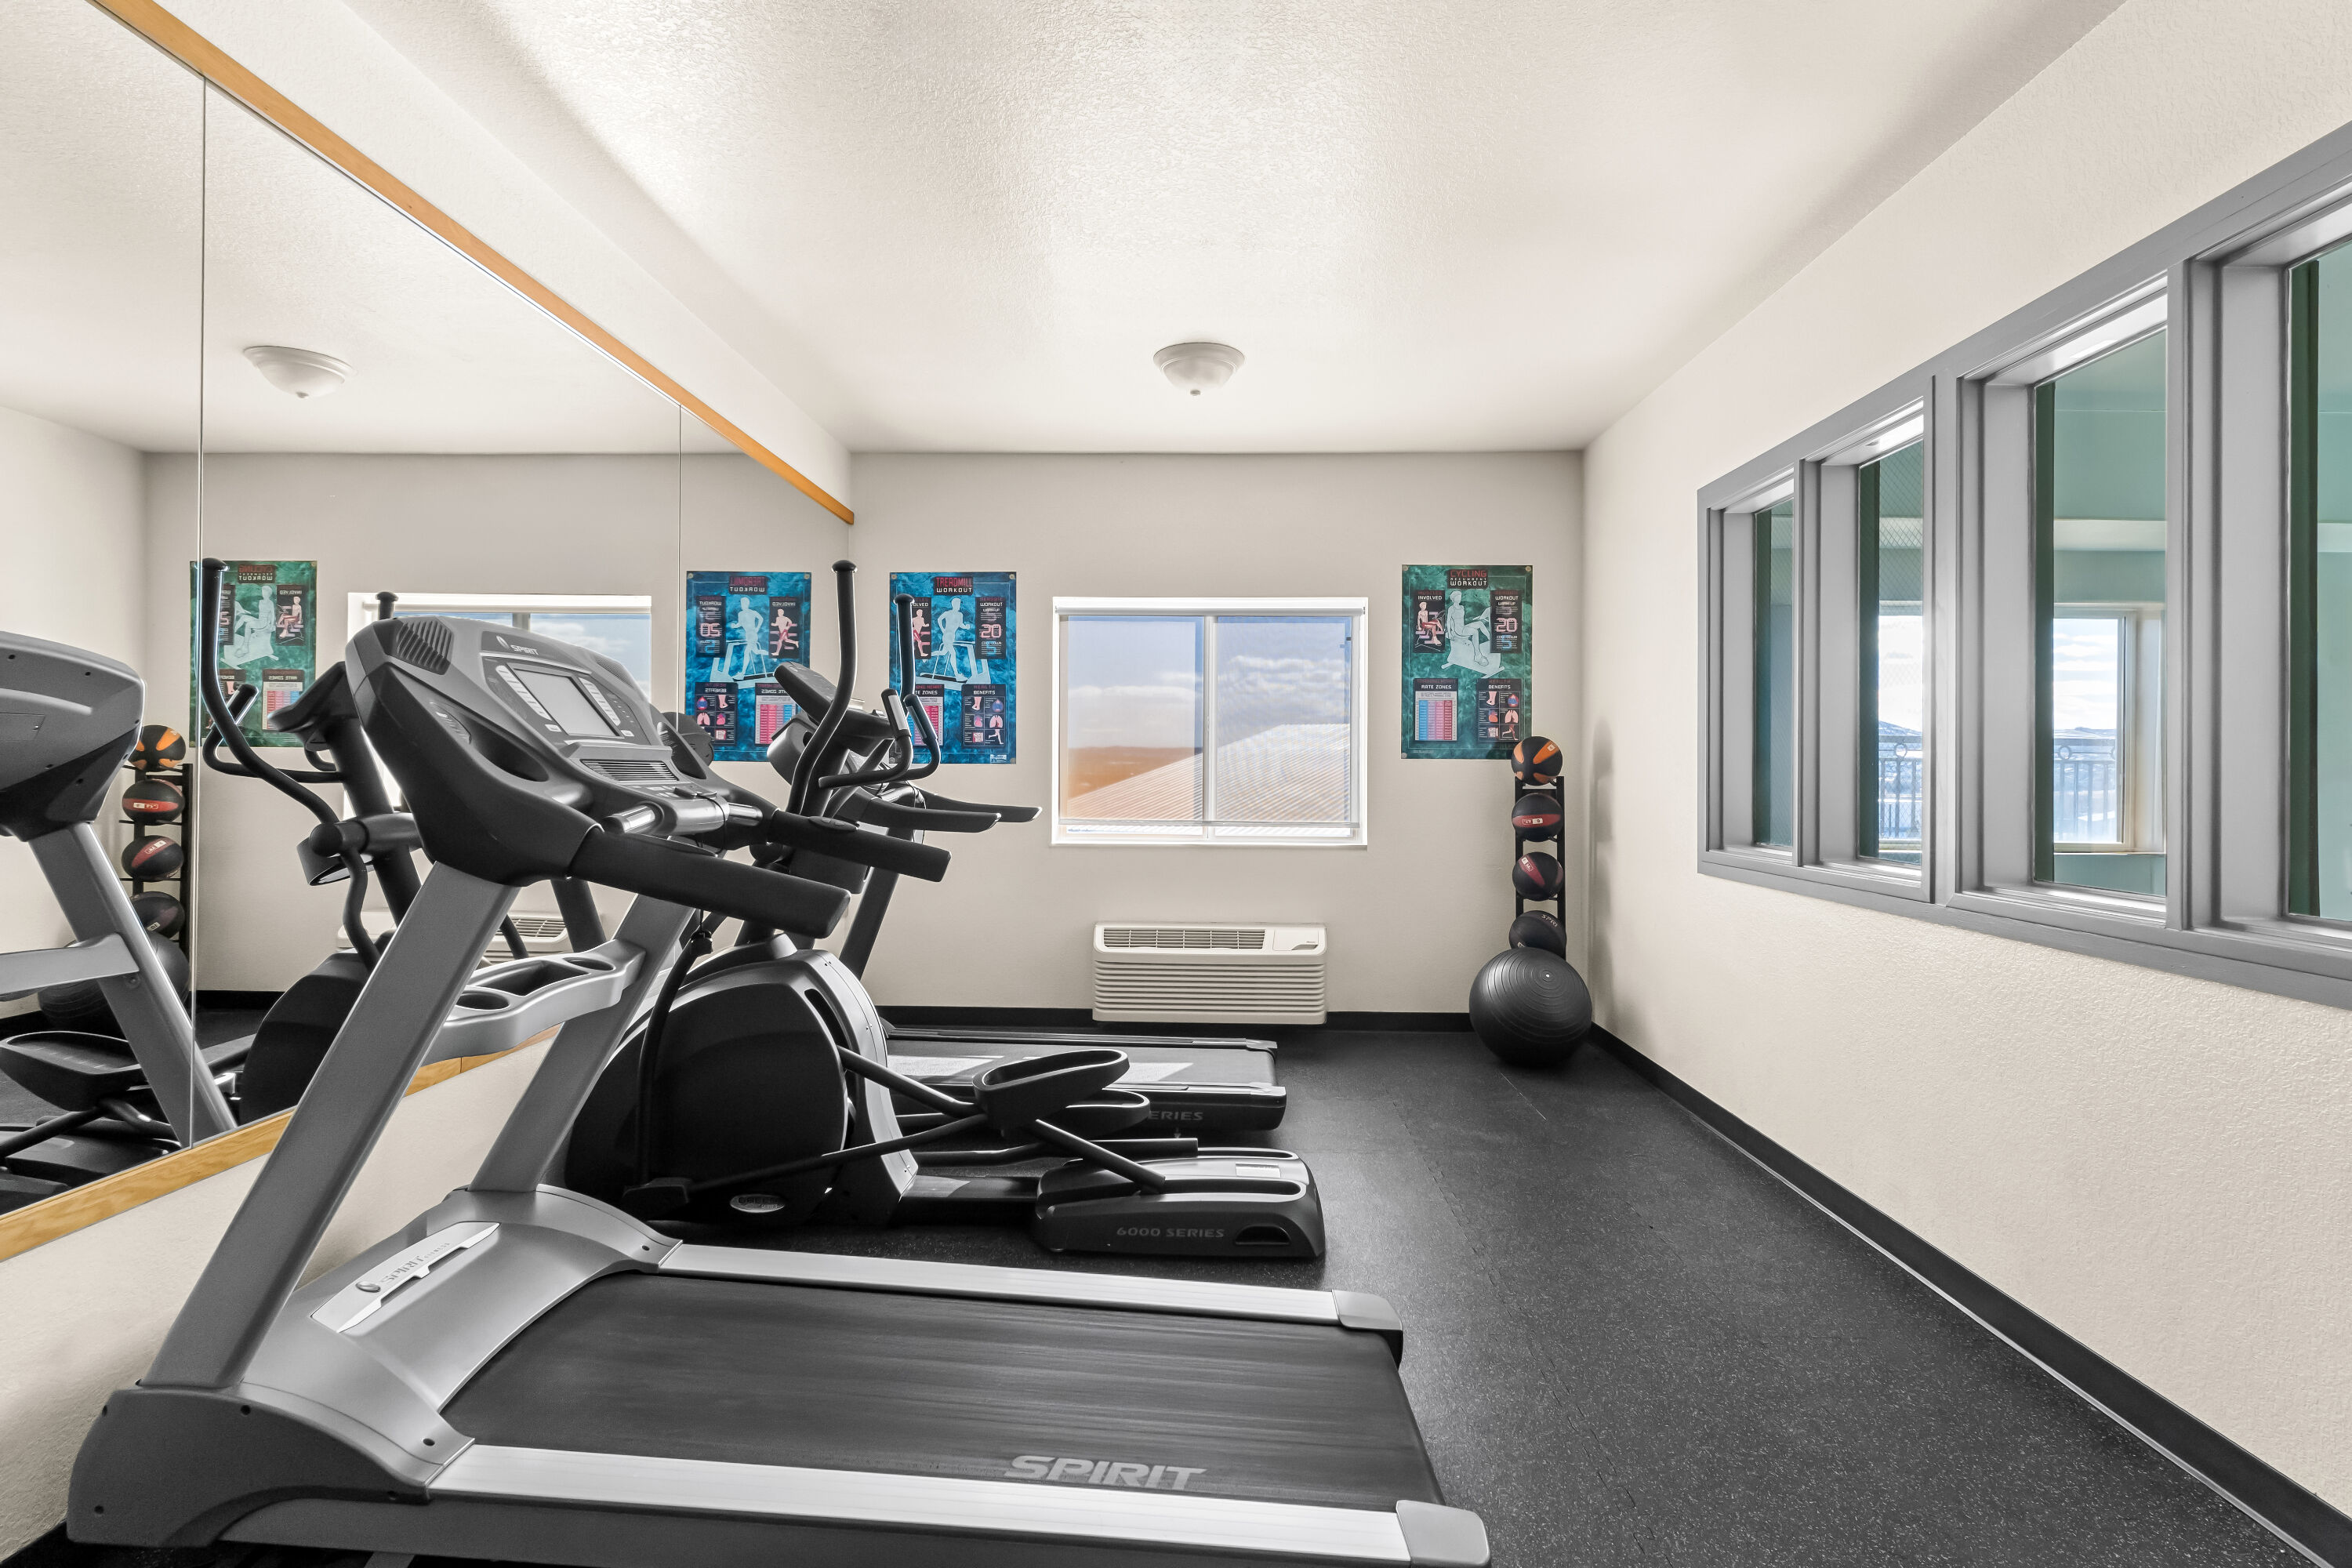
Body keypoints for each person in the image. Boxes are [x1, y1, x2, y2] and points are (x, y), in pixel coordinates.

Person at [1443, 590, 1502, 677]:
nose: (1459, 598)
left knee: (1480, 624)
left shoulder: (1462, 607)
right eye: (1457, 597)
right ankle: (1477, 655)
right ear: (1453, 599)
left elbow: (1462, 621)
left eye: (1460, 596)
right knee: (1475, 632)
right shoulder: (1451, 609)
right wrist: (1451, 633)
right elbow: (1449, 621)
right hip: (1458, 630)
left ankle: (1490, 639)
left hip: (1463, 627)